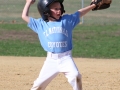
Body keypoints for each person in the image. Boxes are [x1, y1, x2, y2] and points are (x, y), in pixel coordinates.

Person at [22, 0, 97, 90]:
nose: (59, 11)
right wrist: (28, 3)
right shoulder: (40, 24)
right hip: (51, 60)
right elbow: (24, 16)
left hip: (66, 58)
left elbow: (80, 13)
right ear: (45, 11)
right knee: (39, 84)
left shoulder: (66, 21)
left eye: (60, 8)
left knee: (76, 75)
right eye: (55, 9)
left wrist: (94, 5)